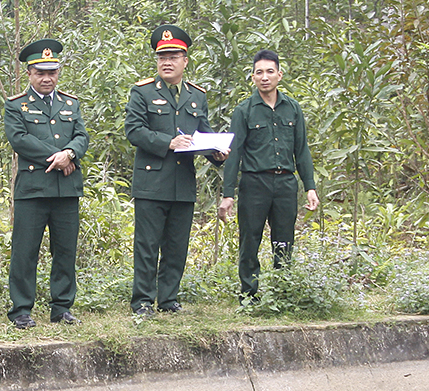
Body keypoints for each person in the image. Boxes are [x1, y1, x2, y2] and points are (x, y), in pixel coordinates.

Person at [125, 24, 227, 316]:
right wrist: (167, 142)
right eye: (162, 57)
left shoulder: (196, 96)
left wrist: (217, 153)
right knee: (147, 246)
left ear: (185, 60)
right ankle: (143, 302)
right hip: (152, 181)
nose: (166, 62)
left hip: (182, 183)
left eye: (173, 56)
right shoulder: (142, 92)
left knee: (176, 246)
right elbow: (133, 131)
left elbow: (203, 134)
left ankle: (168, 299)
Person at [218, 49, 319, 302]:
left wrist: (310, 186)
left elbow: (302, 149)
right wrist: (228, 194)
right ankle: (249, 296)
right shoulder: (244, 111)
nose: (265, 77)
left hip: (285, 182)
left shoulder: (292, 109)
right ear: (253, 78)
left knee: (284, 240)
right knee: (249, 240)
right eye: (259, 72)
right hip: (254, 182)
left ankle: (282, 293)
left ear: (279, 75)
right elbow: (235, 152)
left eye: (270, 72)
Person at [4, 38, 89, 329]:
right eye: (40, 72)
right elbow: (19, 140)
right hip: (33, 189)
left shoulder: (71, 103)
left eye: (51, 72)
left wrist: (71, 153)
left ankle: (62, 307)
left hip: (67, 190)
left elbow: (81, 137)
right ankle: (21, 310)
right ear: (29, 73)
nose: (46, 78)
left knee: (65, 250)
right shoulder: (16, 105)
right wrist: (58, 157)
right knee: (25, 251)